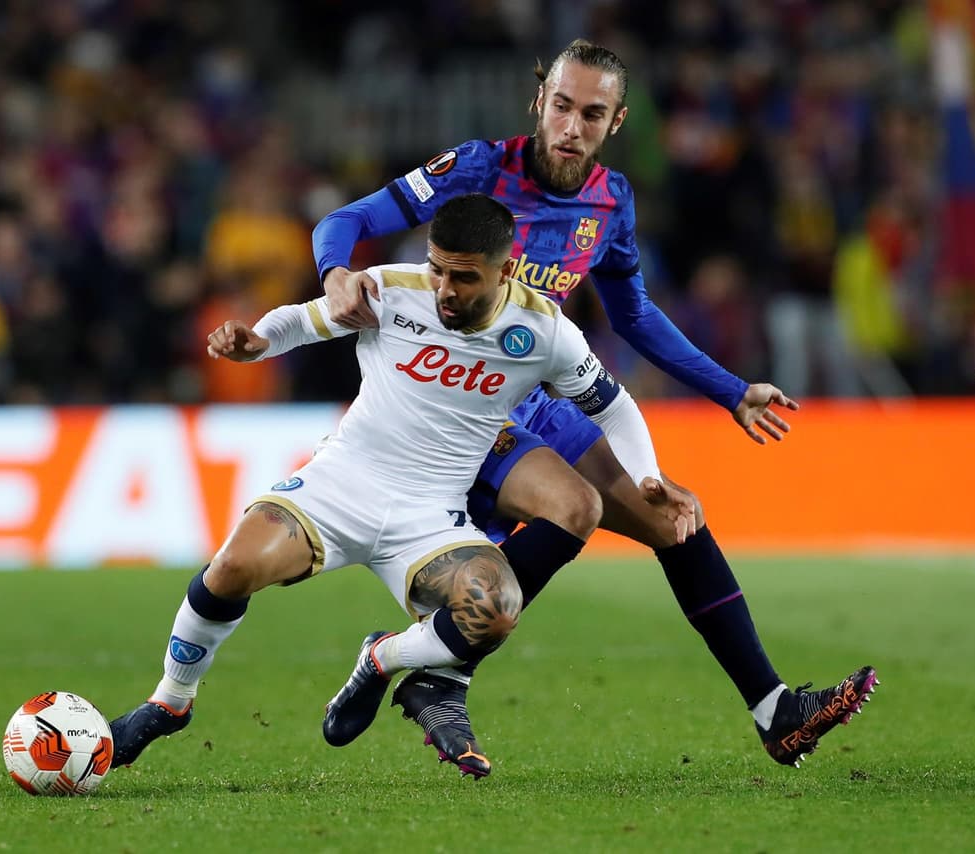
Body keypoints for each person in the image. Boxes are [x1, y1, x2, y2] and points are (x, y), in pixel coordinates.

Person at [314, 39, 877, 770]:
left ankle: (776, 711)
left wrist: (731, 391)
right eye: (561, 106)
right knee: (569, 508)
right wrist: (335, 274)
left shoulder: (610, 202)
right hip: (451, 400)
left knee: (676, 519)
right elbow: (348, 220)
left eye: (591, 113)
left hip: (533, 400)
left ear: (616, 122)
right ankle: (438, 671)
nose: (571, 126)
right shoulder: (479, 168)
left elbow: (635, 316)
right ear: (537, 101)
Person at [108, 193, 694, 777]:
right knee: (230, 570)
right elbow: (302, 320)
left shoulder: (545, 332)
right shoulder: (392, 287)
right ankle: (170, 700)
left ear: (505, 271)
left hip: (430, 515)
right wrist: (260, 340)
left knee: (496, 610)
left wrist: (647, 477)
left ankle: (382, 657)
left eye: (463, 278)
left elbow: (614, 407)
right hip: (340, 485)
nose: (444, 289)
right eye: (437, 269)